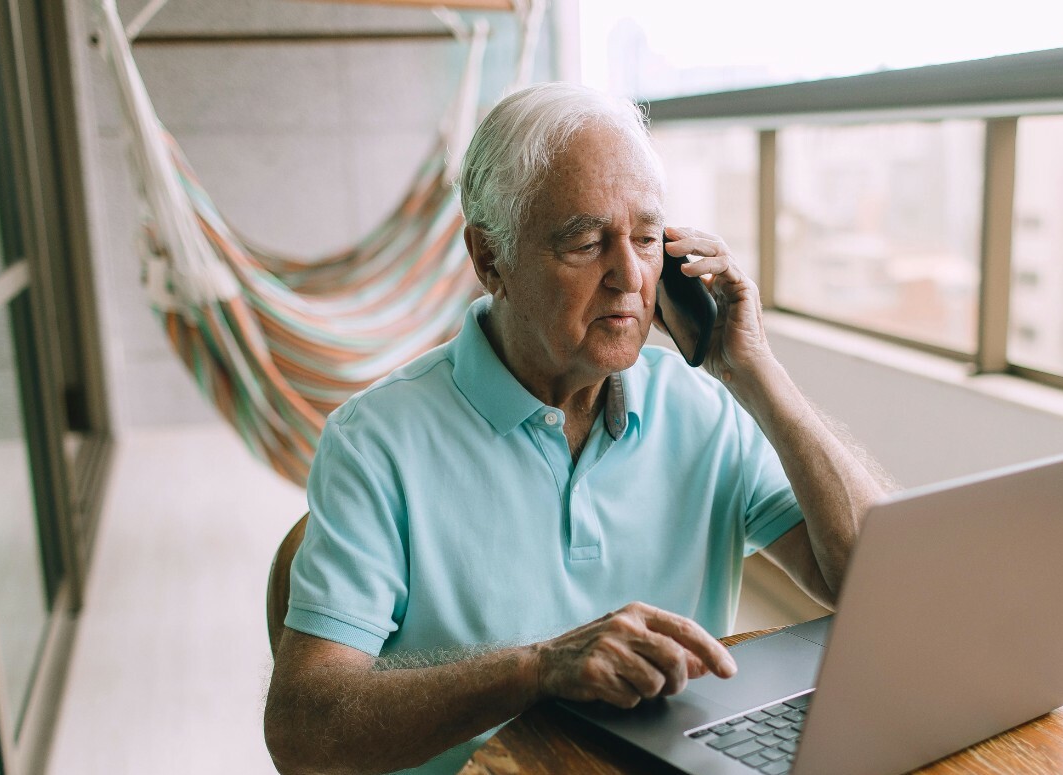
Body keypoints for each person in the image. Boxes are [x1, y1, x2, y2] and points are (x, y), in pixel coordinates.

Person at [263, 81, 891, 775]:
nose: (629, 275)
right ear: (490, 259)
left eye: (647, 238)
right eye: (586, 242)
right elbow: (305, 730)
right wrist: (539, 668)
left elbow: (882, 588)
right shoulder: (375, 441)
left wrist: (758, 376)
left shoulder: (707, 409)